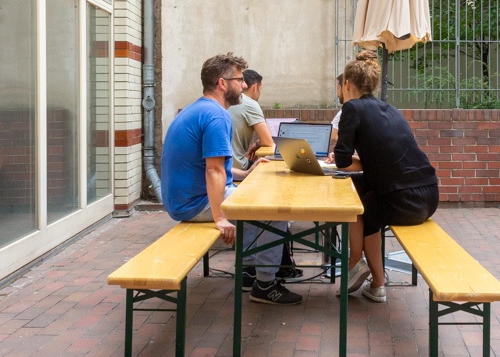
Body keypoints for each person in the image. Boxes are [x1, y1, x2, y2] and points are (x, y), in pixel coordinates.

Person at [161, 53, 302, 305]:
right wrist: (221, 217)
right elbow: (213, 171)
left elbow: (213, 166)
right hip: (193, 204)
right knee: (274, 209)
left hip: (184, 199)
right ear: (222, 83)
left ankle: (250, 270)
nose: (244, 85)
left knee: (257, 201)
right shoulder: (216, 116)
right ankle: (265, 283)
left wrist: (245, 174)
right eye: (239, 79)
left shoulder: (199, 109)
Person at [333, 50, 439, 302]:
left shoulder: (352, 108)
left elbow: (342, 161)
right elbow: (385, 158)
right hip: (429, 196)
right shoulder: (391, 109)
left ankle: (362, 269)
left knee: (358, 207)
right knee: (359, 191)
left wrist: (355, 162)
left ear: (347, 84)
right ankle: (366, 274)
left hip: (403, 201)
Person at [228, 68, 302, 283]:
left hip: (224, 170)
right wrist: (259, 143)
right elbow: (269, 142)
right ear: (256, 87)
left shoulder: (222, 105)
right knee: (268, 206)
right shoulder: (249, 104)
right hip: (235, 171)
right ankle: (257, 269)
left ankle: (261, 264)